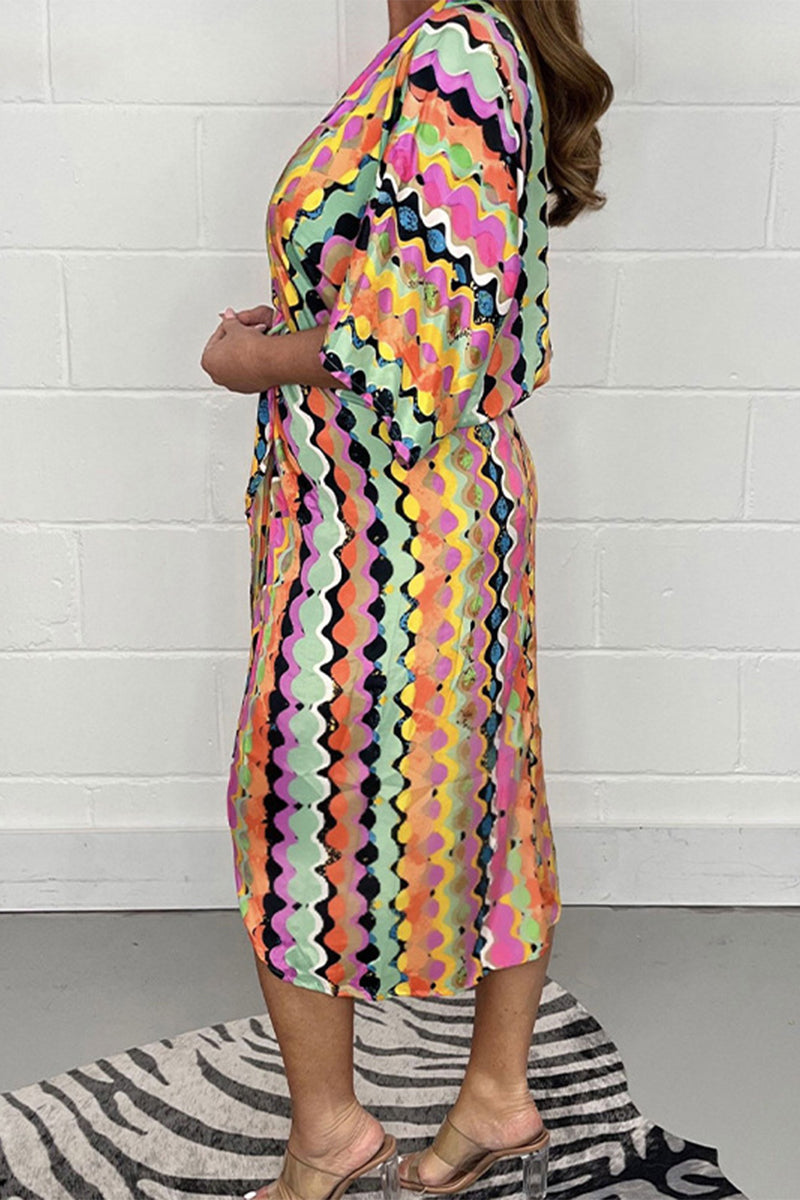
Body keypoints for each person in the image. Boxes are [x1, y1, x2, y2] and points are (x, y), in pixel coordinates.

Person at [201, 1, 613, 1197]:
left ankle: (329, 1135)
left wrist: (251, 361)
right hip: (404, 509)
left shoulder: (454, 48)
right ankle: (493, 1098)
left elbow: (411, 347)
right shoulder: (449, 45)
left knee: (292, 808)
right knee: (493, 783)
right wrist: (299, 322)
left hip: (391, 527)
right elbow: (415, 301)